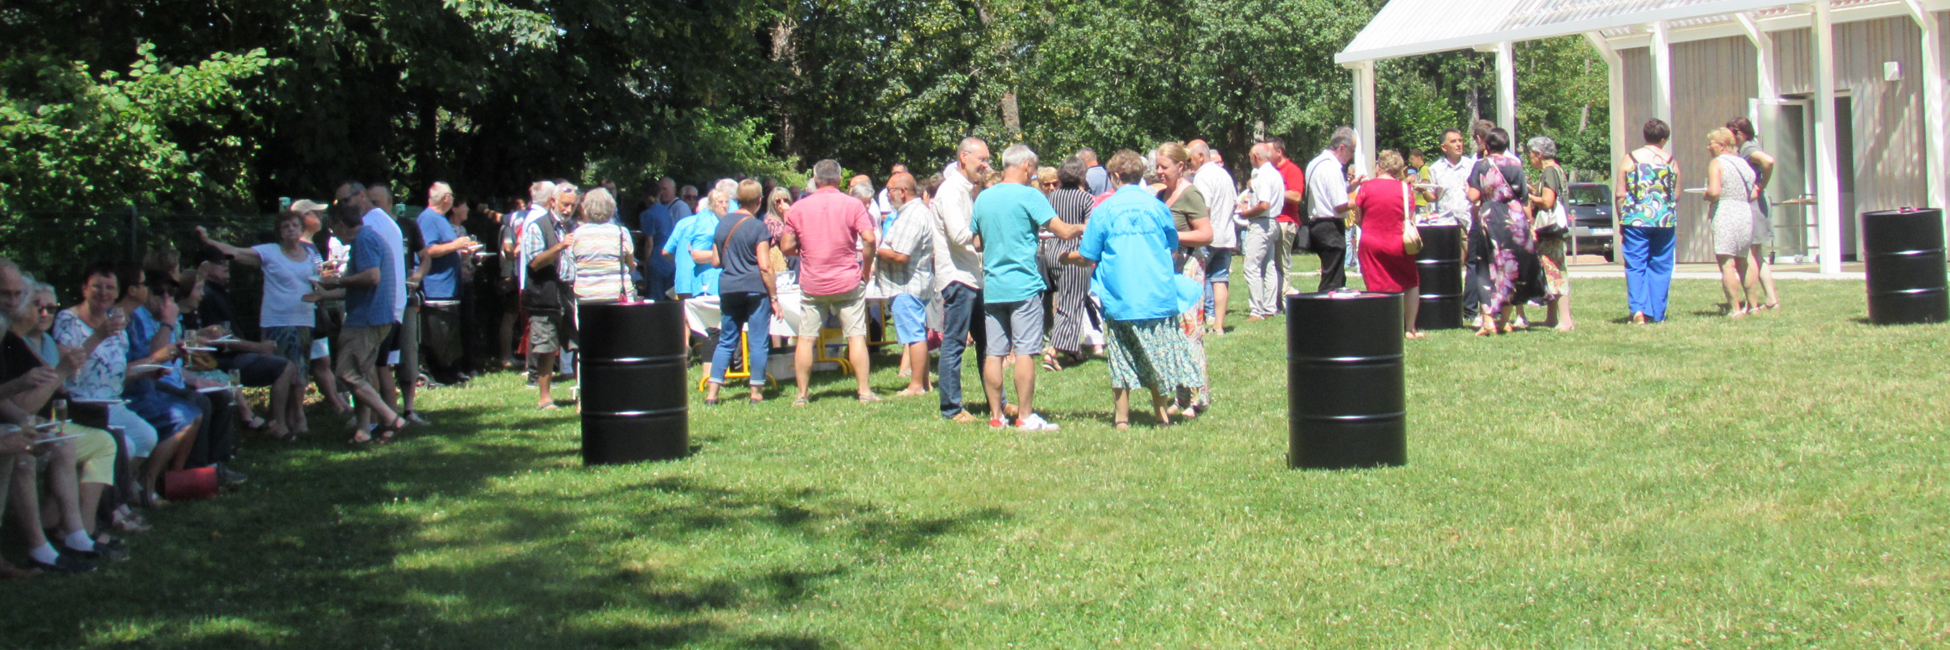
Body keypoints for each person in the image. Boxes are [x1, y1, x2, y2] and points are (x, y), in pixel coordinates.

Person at [1062, 150, 1202, 428]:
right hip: (1157, 294)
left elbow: (1088, 255)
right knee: (1158, 357)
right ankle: (1161, 415)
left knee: (1121, 357)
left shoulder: (1105, 210)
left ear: (1114, 176)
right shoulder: (1157, 206)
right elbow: (1172, 244)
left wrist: (1066, 257)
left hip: (1121, 295)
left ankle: (1122, 419)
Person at [970, 144, 1084, 431]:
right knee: (1025, 352)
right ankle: (1025, 415)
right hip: (1024, 284)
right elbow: (1063, 231)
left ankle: (996, 417)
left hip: (994, 285)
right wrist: (1086, 226)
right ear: (1024, 166)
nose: (1033, 173)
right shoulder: (1030, 195)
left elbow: (976, 242)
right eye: (1032, 168)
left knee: (993, 353)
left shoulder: (984, 197)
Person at [194, 212, 323, 432]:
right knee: (282, 369)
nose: (291, 229)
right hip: (277, 321)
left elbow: (321, 277)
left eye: (294, 225)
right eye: (285, 226)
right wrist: (208, 242)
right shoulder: (270, 252)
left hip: (305, 318)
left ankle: (296, 415)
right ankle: (277, 419)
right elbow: (235, 252)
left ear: (302, 229)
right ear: (279, 232)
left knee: (300, 372)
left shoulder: (312, 254)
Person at [782, 160, 879, 405]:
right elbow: (869, 239)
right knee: (855, 336)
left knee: (806, 338)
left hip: (813, 281)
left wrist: (807, 250)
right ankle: (864, 391)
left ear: (815, 178)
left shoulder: (798, 208)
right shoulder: (853, 204)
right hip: (847, 279)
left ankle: (802, 394)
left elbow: (786, 246)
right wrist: (865, 269)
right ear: (839, 179)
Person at [310, 202, 408, 441]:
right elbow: (359, 286)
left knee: (346, 374)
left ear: (341, 224)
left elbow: (371, 277)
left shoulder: (364, 241)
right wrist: (325, 295)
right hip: (378, 317)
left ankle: (391, 418)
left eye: (332, 228)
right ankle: (363, 431)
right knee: (361, 376)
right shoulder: (369, 238)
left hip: (365, 319)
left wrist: (336, 282)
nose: (332, 233)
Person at [931, 138, 1006, 423]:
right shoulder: (950, 191)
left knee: (989, 344)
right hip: (957, 278)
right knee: (954, 344)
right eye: (981, 159)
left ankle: (997, 402)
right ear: (964, 157)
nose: (986, 165)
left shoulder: (969, 190)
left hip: (975, 276)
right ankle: (951, 408)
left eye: (987, 159)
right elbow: (959, 235)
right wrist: (993, 236)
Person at [1153, 142, 1214, 417]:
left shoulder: (1191, 195)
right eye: (1156, 166)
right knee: (1171, 333)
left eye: (1163, 167)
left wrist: (1173, 237)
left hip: (1188, 266)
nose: (1158, 172)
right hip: (1168, 268)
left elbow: (1206, 234)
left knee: (1190, 332)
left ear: (1180, 166)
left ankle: (1198, 398)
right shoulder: (1160, 196)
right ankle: (1180, 396)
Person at [703, 180, 778, 405]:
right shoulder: (758, 226)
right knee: (757, 340)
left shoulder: (722, 224)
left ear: (736, 199)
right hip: (755, 289)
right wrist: (774, 297)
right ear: (759, 200)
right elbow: (765, 265)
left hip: (728, 287)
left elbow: (716, 261)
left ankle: (712, 393)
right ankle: (755, 392)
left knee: (726, 339)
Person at [1466, 127, 1542, 335]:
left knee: (1485, 267)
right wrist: (1530, 224)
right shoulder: (1516, 166)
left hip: (1490, 217)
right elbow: (1524, 198)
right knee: (1511, 268)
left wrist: (1469, 189)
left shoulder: (1481, 165)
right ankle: (1505, 321)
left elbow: (1473, 196)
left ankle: (1489, 320)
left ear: (1487, 146)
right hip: (1515, 218)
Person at [1352, 150, 1423, 338]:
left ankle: (1383, 328)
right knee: (1410, 282)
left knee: (1376, 284)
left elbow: (1358, 218)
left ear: (1380, 166)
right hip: (1398, 243)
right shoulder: (1404, 189)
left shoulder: (1366, 187)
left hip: (1371, 243)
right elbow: (1411, 219)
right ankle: (1409, 328)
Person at [1616, 119, 1681, 324]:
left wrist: (1621, 219)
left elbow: (1620, 194)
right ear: (1664, 139)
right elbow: (1676, 195)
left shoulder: (1630, 159)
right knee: (1661, 264)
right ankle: (1657, 312)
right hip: (1664, 219)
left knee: (1636, 265)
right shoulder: (1671, 161)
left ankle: (1638, 310)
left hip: (1635, 218)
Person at [519, 180, 577, 410]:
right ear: (552, 202)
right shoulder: (538, 226)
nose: (567, 210)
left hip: (568, 294)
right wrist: (560, 246)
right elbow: (534, 263)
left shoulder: (573, 226)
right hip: (544, 294)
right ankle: (545, 398)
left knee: (576, 344)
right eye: (564, 205)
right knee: (545, 348)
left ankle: (581, 392)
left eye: (572, 206)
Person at [876, 172, 935, 397]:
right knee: (916, 332)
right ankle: (924, 382)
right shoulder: (910, 212)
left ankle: (916, 385)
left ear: (902, 192)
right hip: (911, 283)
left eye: (890, 190)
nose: (888, 195)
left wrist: (876, 250)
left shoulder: (913, 215)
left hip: (907, 284)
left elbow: (901, 255)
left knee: (914, 335)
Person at [416, 182, 478, 384]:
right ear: (446, 198)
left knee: (449, 333)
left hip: (449, 287)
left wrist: (463, 250)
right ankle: (439, 374)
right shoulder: (428, 218)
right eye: (451, 195)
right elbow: (427, 250)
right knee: (438, 335)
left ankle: (451, 371)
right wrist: (456, 245)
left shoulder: (440, 219)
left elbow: (448, 249)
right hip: (436, 288)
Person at [1040, 156, 1098, 369]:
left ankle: (1073, 350)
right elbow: (1089, 230)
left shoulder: (1051, 198)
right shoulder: (1087, 200)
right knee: (1071, 304)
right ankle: (1053, 352)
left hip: (1051, 252)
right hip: (1074, 255)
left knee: (1069, 300)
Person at [1728, 117, 1782, 311]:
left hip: (1754, 205)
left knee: (1750, 252)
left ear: (1740, 134)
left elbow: (1768, 161)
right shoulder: (1749, 146)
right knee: (1758, 254)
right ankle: (1771, 299)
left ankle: (1754, 302)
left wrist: (1760, 185)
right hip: (1758, 205)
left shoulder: (1748, 149)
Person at [1706, 127, 1761, 317]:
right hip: (1744, 212)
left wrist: (1706, 196)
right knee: (1744, 260)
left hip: (1725, 211)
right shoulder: (1744, 164)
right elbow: (1753, 193)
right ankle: (1753, 305)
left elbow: (1714, 192)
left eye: (1711, 143)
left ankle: (1735, 308)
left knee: (1727, 263)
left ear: (1721, 145)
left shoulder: (1717, 163)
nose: (1708, 147)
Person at [1425, 129, 1476, 326]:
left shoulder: (1471, 166)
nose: (1458, 144)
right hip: (1446, 223)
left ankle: (1470, 308)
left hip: (1468, 219)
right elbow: (1433, 196)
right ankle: (1448, 306)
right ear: (1444, 146)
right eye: (1453, 141)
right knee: (1449, 267)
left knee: (1472, 264)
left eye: (1460, 141)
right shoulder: (1436, 169)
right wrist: (1423, 190)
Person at [1525, 136, 1575, 331]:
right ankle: (1551, 318)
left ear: (1539, 154)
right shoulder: (1557, 170)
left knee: (1556, 273)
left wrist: (1525, 194)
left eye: (1531, 154)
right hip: (1554, 230)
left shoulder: (1549, 172)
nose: (1530, 158)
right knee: (1550, 272)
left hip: (1550, 231)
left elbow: (1547, 201)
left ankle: (1565, 320)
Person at [1188, 140, 1237, 335]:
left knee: (1196, 278)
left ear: (1200, 156)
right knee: (1220, 279)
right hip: (1226, 235)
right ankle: (1218, 326)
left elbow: (1203, 207)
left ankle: (1197, 324)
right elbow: (1234, 203)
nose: (1188, 162)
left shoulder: (1203, 176)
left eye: (1190, 157)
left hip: (1208, 237)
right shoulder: (1224, 174)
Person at [1303, 129, 1361, 293]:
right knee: (1332, 281)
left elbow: (1325, 194)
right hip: (1330, 227)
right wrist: (1362, 199)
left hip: (1317, 224)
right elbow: (1340, 205)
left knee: (1333, 275)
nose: (1352, 156)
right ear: (1341, 147)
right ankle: (1326, 314)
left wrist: (1350, 187)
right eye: (1352, 151)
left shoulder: (1316, 163)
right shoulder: (1332, 167)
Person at [1239, 143, 1285, 321]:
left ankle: (1256, 310)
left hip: (1261, 223)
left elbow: (1264, 204)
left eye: (1250, 155)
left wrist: (1246, 213)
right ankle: (1270, 306)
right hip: (1273, 222)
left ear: (1256, 156)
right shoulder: (1275, 174)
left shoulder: (1264, 175)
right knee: (1269, 265)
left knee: (1251, 265)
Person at [569, 188, 637, 305]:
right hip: (617, 294)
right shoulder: (621, 232)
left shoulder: (576, 234)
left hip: (585, 295)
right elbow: (630, 263)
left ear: (585, 208)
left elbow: (571, 263)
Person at [1268, 138, 1309, 298]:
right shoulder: (1269, 170)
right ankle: (1274, 298)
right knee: (1271, 264)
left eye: (1269, 151)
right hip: (1271, 221)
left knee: (1281, 263)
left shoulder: (1292, 170)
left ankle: (1286, 299)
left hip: (1285, 221)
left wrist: (1274, 191)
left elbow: (1296, 196)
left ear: (1279, 152)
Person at [640, 177, 689, 300]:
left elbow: (649, 243)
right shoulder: (666, 210)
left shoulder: (647, 214)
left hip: (656, 259)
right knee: (670, 299)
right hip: (669, 257)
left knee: (656, 299)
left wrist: (646, 264)